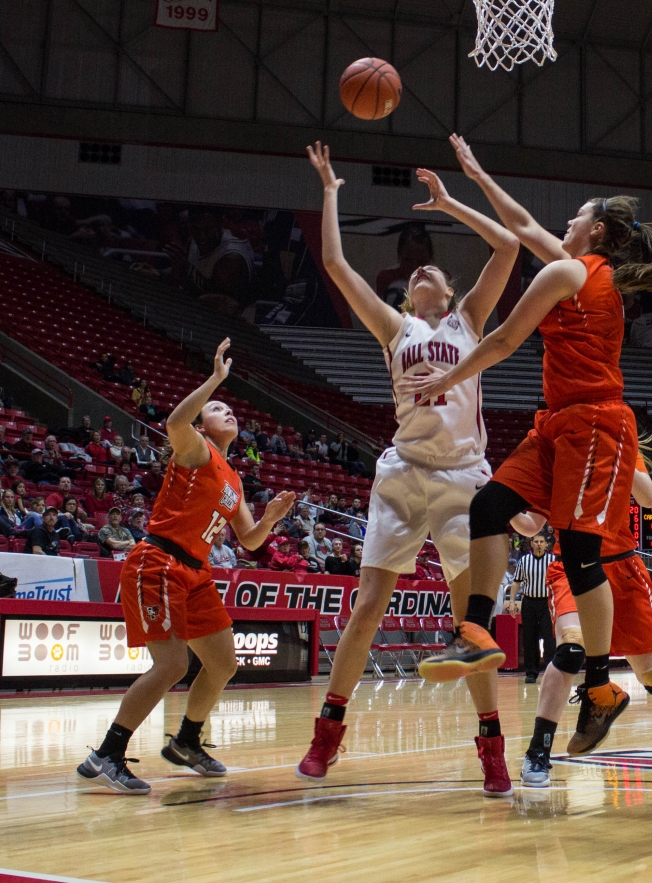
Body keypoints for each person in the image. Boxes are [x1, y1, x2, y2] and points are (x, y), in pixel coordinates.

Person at [404, 135, 652, 757]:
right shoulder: (578, 269)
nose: (565, 223)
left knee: (580, 555)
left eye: (576, 216)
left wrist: (449, 379)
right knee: (488, 506)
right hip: (558, 422)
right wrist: (475, 177)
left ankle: (601, 688)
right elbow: (524, 224)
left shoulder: (568, 272)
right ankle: (475, 631)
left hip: (594, 423)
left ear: (597, 229)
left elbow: (504, 339)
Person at [296, 141, 520, 796]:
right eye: (416, 271)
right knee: (368, 604)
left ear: (448, 290)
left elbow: (508, 246)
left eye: (434, 270)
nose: (422, 270)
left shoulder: (470, 319)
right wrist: (330, 191)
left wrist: (450, 203)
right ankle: (327, 732)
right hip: (403, 472)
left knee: (470, 623)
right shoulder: (395, 328)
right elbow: (335, 263)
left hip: (462, 480)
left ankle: (491, 745)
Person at [76, 339, 295, 795]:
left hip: (196, 572)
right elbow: (175, 421)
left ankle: (186, 742)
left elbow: (250, 540)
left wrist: (270, 519)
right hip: (158, 561)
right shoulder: (195, 449)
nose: (227, 411)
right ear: (202, 424)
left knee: (223, 663)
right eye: (217, 408)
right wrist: (214, 379)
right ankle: (107, 754)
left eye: (229, 408)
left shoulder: (233, 479)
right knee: (173, 664)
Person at [517, 457, 652, 788]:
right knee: (571, 649)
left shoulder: (621, 444)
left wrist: (617, 451)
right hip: (571, 566)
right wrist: (497, 504)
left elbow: (648, 498)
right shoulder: (555, 446)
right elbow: (531, 525)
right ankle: (538, 752)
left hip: (621, 568)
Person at [510, 534, 556, 684]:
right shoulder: (524, 561)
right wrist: (512, 601)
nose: (539, 544)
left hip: (547, 603)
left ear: (546, 544)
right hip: (529, 602)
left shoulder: (553, 560)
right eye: (536, 541)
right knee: (529, 638)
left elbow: (560, 581)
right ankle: (531, 672)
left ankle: (550, 671)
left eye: (541, 541)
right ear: (531, 544)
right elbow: (516, 582)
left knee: (550, 638)